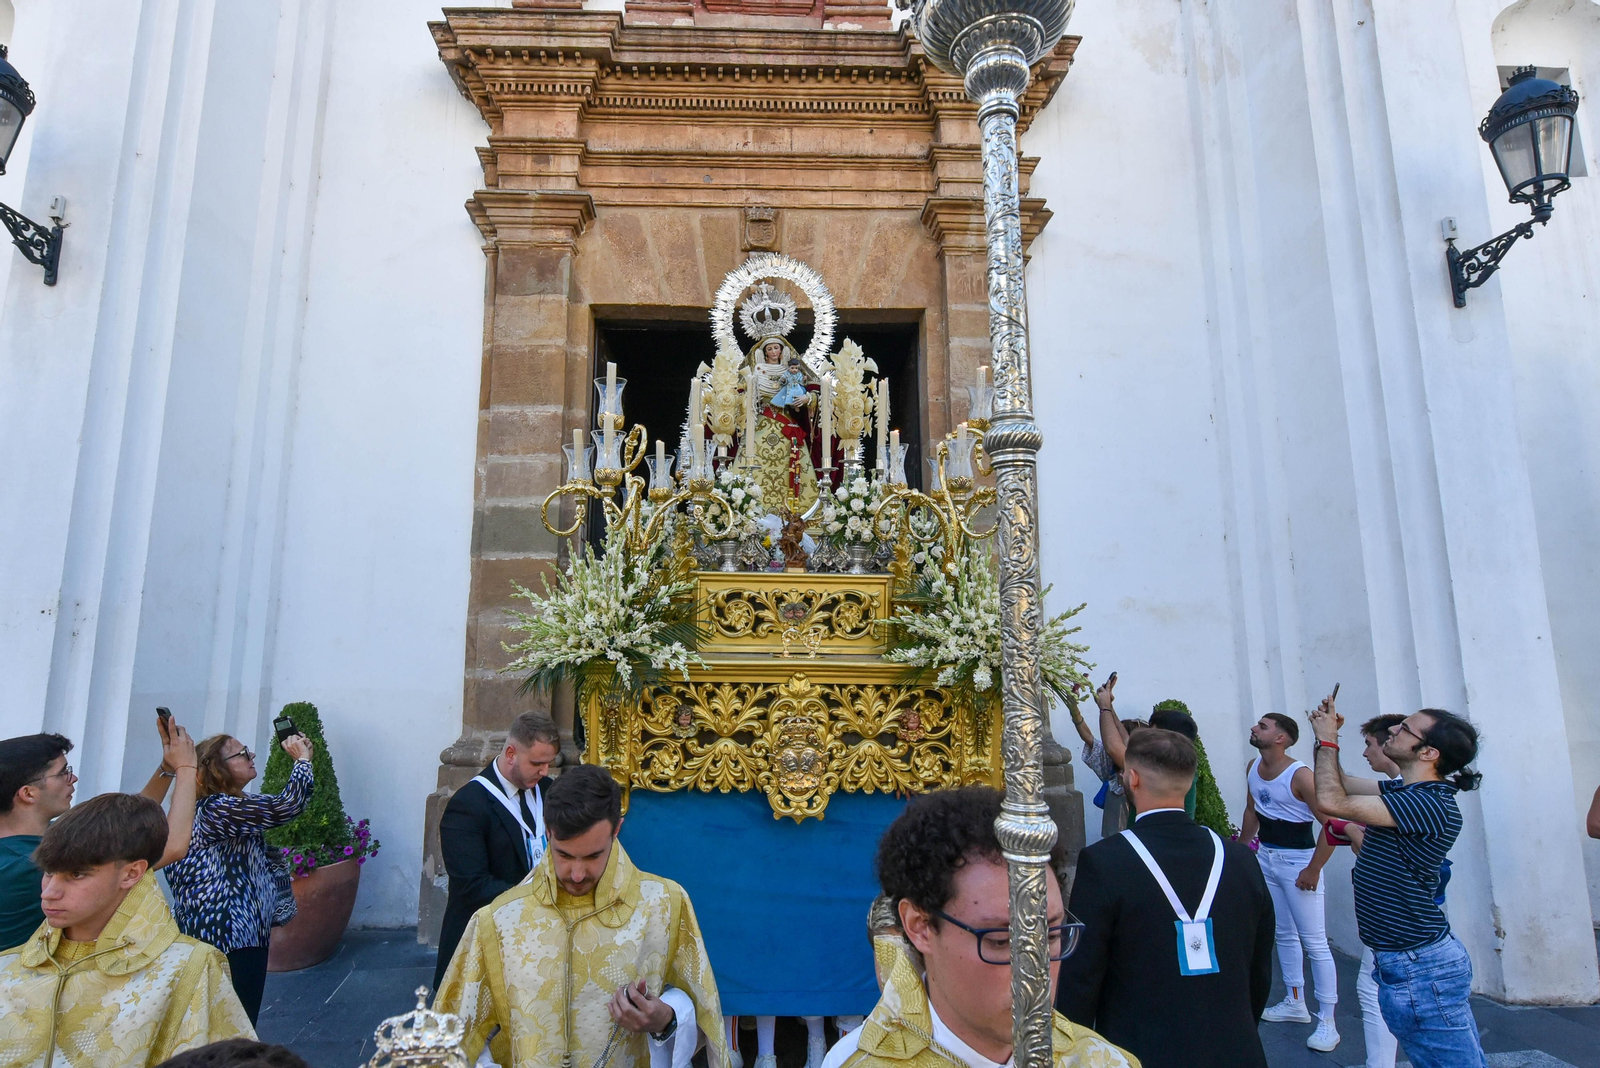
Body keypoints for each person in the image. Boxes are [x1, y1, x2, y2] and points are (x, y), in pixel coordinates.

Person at [823, 785, 1137, 1068]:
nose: (1035, 974)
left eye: (1051, 935)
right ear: (920, 926)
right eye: (1001, 940)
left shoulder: (1101, 1060)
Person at [436, 764, 728, 1068]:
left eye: (592, 856)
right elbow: (451, 1035)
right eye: (563, 854)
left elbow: (707, 1020)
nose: (576, 875)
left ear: (616, 830)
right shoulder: (498, 920)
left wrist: (665, 1019)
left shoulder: (665, 905)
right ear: (548, 832)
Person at [1056, 729, 1275, 1068]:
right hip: (1236, 1048)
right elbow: (1260, 970)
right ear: (1189, 782)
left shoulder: (1104, 861)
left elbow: (1081, 976)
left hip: (1139, 1052)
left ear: (1133, 778)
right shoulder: (1241, 858)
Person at [0, 793, 253, 1066]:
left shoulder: (188, 967)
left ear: (131, 873)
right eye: (49, 872)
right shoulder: (7, 968)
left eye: (76, 875)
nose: (49, 893)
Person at [1308, 696, 1486, 1068]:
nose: (1393, 730)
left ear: (1428, 753)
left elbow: (1329, 799)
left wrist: (1328, 741)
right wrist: (1328, 737)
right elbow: (1339, 782)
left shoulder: (1429, 803)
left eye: (1405, 728)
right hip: (1411, 960)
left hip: (1419, 965)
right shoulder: (1408, 793)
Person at [0, 712, 198, 951]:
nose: (73, 778)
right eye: (63, 772)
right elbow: (172, 847)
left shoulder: (37, 841)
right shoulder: (29, 864)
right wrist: (187, 767)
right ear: (28, 793)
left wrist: (167, 769)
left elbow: (125, 825)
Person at [163, 730, 315, 1025]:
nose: (251, 755)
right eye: (242, 753)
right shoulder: (217, 809)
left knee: (227, 1021)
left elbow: (278, 806)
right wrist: (302, 762)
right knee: (235, 1024)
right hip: (230, 934)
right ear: (217, 769)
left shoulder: (221, 807)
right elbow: (286, 806)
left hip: (228, 933)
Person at [434, 710, 561, 990]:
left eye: (549, 764)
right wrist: (535, 897)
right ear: (512, 753)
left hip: (541, 942)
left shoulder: (550, 791)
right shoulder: (468, 804)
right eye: (537, 763)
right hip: (486, 941)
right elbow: (471, 885)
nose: (544, 772)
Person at [1239, 712, 1339, 1050]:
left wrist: (1313, 869)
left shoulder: (1301, 777)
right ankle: (1296, 1001)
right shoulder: (1253, 766)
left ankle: (1328, 1019)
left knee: (1314, 941)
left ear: (1281, 738)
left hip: (1298, 861)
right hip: (1268, 856)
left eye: (1263, 727)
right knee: (1283, 933)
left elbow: (1332, 825)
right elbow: (1252, 810)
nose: (1255, 728)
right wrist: (1243, 852)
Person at [1068, 683, 1145, 837]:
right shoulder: (1110, 765)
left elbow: (1116, 745)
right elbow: (1088, 737)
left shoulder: (1143, 769)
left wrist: (1106, 707)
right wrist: (1074, 709)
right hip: (1112, 841)